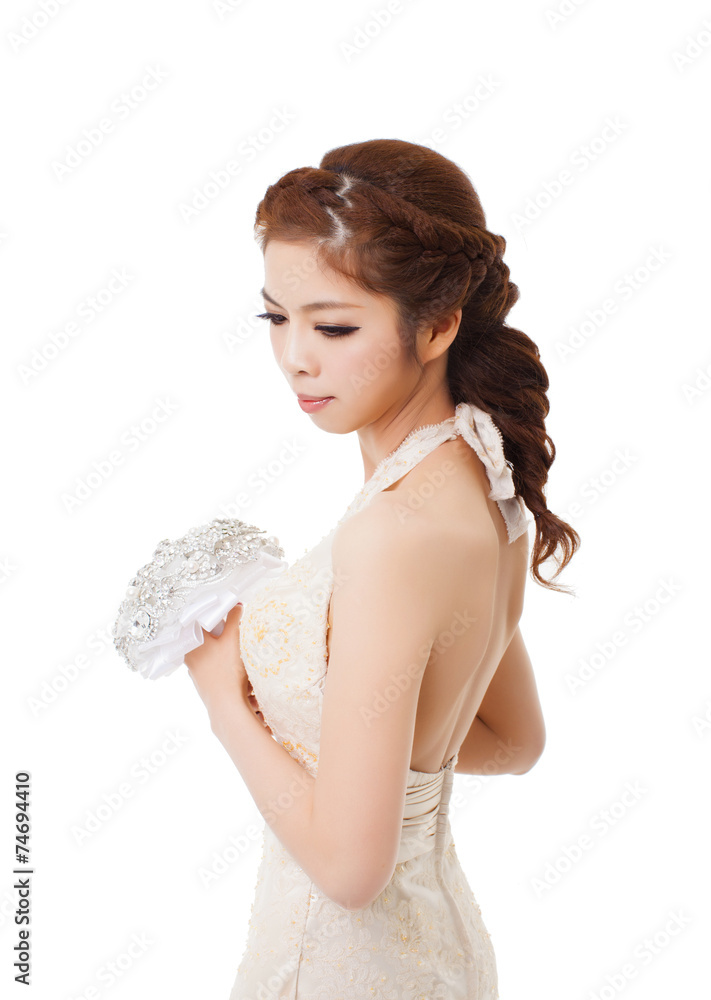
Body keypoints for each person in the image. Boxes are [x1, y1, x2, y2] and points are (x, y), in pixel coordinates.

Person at [185, 138, 580, 999]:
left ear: (436, 325)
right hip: (433, 956)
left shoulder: (396, 532)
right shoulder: (488, 478)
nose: (295, 356)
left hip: (341, 967)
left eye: (331, 326)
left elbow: (349, 872)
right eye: (274, 318)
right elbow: (513, 740)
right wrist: (368, 761)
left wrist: (226, 703)